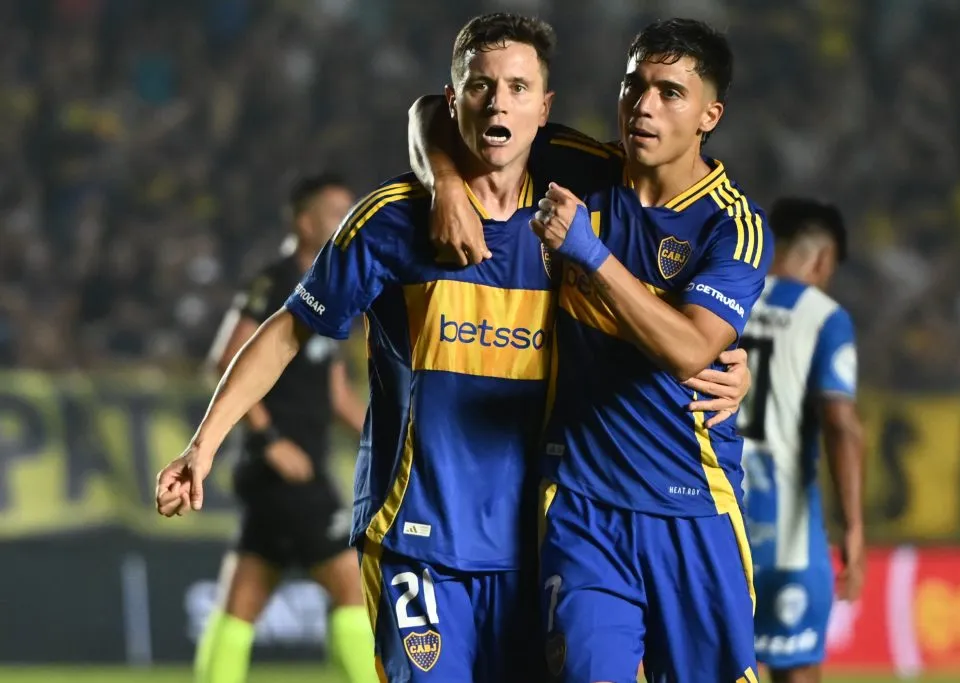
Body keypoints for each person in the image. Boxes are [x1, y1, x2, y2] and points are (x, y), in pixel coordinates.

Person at [157, 14, 748, 683]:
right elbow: (289, 330)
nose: (498, 102)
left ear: (544, 108)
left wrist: (732, 362)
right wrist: (202, 444)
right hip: (419, 543)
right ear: (454, 98)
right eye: (481, 87)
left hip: (536, 547)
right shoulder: (392, 220)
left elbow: (658, 320)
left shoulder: (574, 219)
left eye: (518, 88)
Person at [410, 17, 772, 683]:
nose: (643, 106)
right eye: (634, 86)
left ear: (709, 114)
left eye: (670, 93)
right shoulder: (582, 166)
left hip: (690, 507)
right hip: (583, 507)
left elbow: (691, 349)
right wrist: (446, 184)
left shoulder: (733, 226)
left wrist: (590, 255)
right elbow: (436, 109)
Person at [194, 173, 375, 683]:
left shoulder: (331, 290)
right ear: (304, 220)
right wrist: (269, 440)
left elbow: (337, 394)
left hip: (299, 465)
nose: (347, 219)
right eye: (335, 210)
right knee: (349, 584)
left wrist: (390, 437)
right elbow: (226, 359)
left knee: (244, 594)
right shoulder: (275, 283)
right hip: (285, 467)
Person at [738, 198, 865, 683]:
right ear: (823, 259)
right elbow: (840, 422)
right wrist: (853, 526)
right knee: (796, 672)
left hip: (716, 519)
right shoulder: (824, 316)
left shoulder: (723, 296)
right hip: (788, 533)